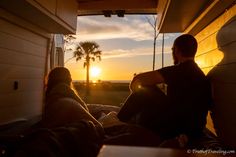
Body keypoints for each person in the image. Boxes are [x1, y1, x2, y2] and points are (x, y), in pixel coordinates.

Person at [117, 34, 212, 141]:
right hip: (194, 130)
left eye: (173, 49)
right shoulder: (199, 74)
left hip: (174, 128)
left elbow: (137, 80)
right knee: (151, 93)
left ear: (177, 50)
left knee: (147, 90)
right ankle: (128, 119)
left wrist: (136, 94)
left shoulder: (180, 70)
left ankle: (117, 122)